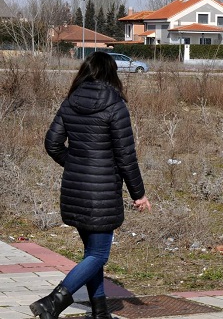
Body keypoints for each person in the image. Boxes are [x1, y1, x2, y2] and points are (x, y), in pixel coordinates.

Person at [30, 51, 151, 319]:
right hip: (102, 192)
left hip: (75, 189)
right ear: (111, 73)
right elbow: (125, 156)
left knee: (91, 253)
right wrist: (139, 194)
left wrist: (75, 165)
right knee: (98, 255)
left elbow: (52, 144)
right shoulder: (116, 105)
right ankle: (53, 301)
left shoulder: (70, 101)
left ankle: (99, 312)